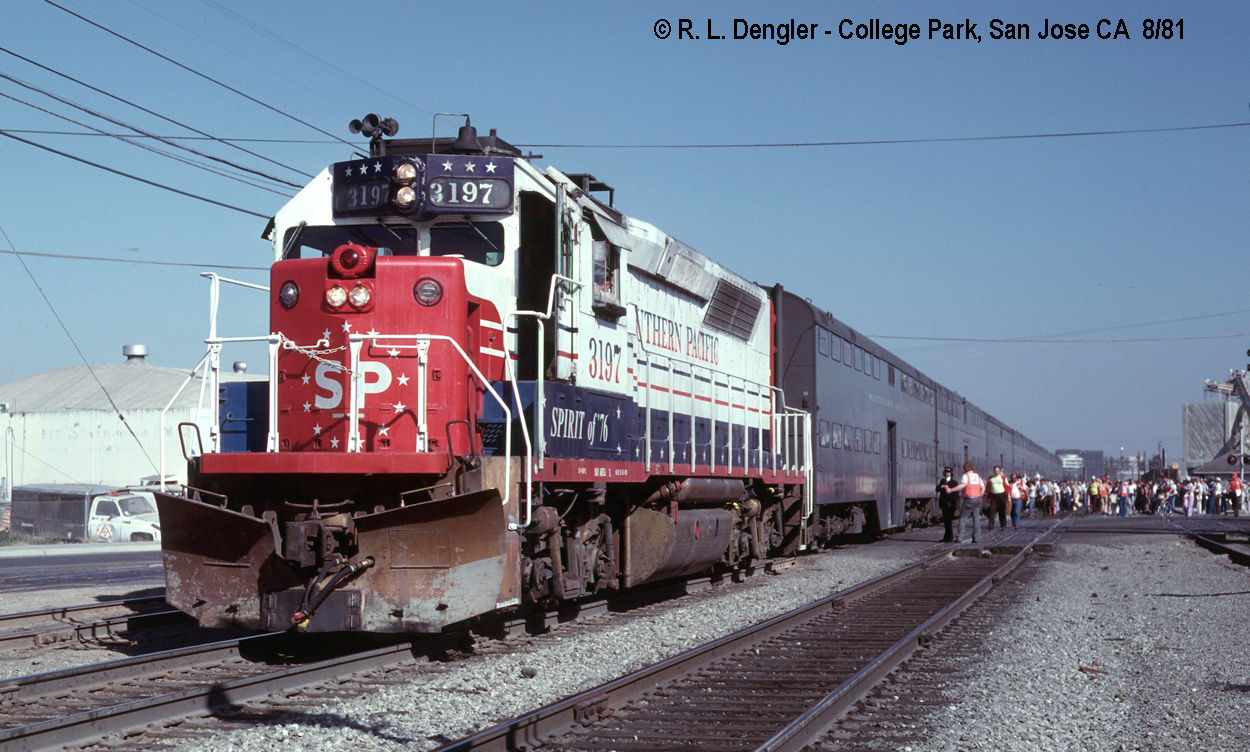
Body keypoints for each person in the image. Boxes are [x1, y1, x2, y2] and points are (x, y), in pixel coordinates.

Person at [950, 460, 983, 544]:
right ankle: (976, 538)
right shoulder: (977, 476)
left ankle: (959, 537)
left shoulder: (966, 476)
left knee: (962, 518)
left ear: (965, 468)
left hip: (969, 500)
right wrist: (980, 496)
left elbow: (963, 485)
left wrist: (951, 490)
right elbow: (983, 487)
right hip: (977, 499)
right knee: (976, 519)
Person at [936, 467, 960, 542]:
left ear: (951, 474)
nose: (947, 473)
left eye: (948, 472)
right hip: (944, 504)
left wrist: (952, 502)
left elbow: (956, 494)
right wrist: (941, 486)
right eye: (946, 472)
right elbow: (937, 489)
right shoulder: (942, 481)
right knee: (946, 521)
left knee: (949, 521)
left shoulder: (954, 482)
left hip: (951, 504)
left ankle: (949, 537)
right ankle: (947, 537)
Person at [985, 466, 1009, 530]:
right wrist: (987, 497)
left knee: (1002, 511)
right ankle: (990, 525)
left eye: (998, 470)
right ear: (993, 471)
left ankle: (1003, 525)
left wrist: (1008, 496)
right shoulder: (991, 478)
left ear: (1000, 471)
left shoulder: (1003, 477)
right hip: (993, 496)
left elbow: (1007, 487)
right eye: (995, 470)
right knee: (992, 511)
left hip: (1001, 495)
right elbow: (988, 487)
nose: (996, 471)